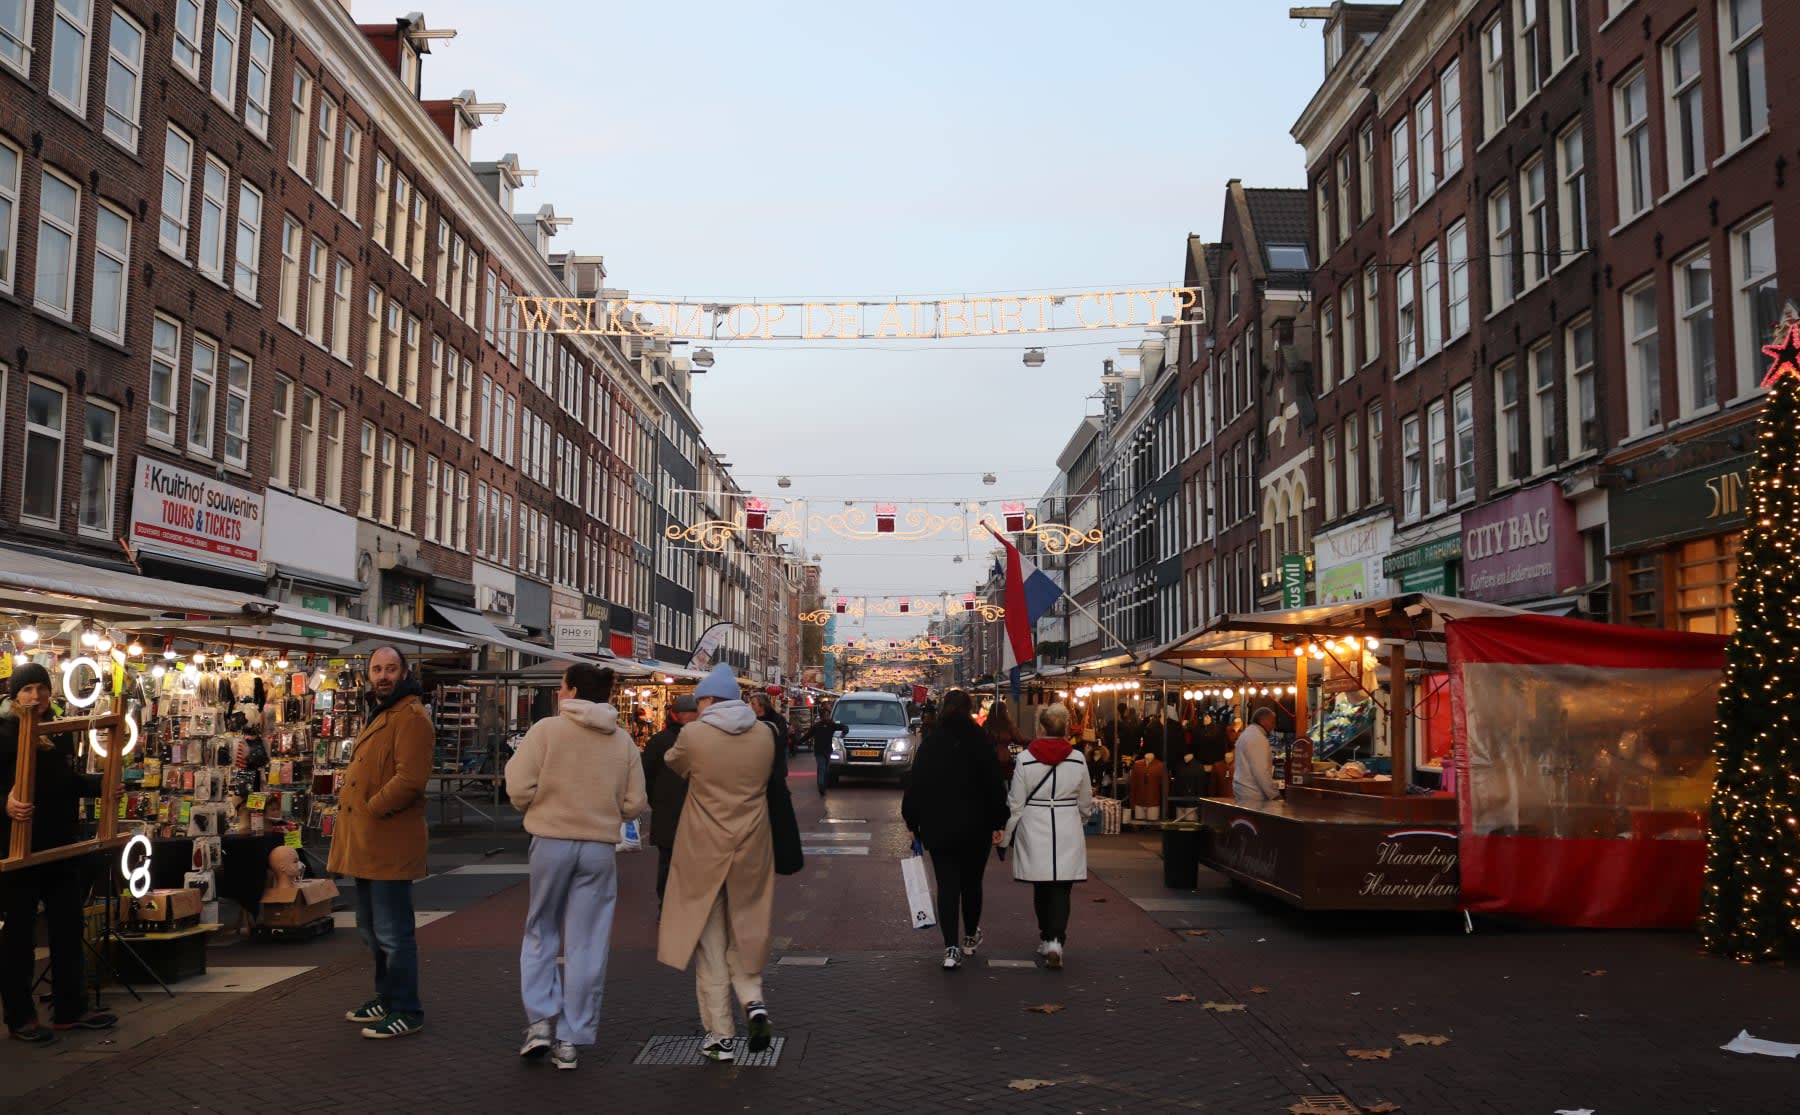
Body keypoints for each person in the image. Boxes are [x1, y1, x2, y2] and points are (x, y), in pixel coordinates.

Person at [506, 663, 646, 1071]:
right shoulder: (621, 741)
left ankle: (539, 1024)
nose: (559, 692)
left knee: (540, 930)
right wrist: (607, 810)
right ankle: (570, 1038)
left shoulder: (546, 731)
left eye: (562, 686)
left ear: (571, 691)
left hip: (550, 840)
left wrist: (538, 804)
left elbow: (518, 786)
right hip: (599, 847)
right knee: (588, 942)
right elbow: (635, 803)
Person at [657, 664, 777, 1063]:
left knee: (710, 944)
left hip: (704, 850)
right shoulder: (765, 735)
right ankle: (753, 1000)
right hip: (751, 847)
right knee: (745, 931)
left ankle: (721, 1036)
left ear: (709, 700)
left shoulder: (694, 734)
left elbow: (675, 762)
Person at [1, 664, 116, 1042]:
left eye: (42, 689)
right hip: (17, 850)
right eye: (28, 689)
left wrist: (105, 784)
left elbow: (66, 783)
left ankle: (71, 1009)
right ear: (15, 694)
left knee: (68, 927)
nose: (36, 697)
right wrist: (6, 804)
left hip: (61, 847)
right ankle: (20, 1017)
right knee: (19, 934)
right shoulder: (2, 731)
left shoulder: (59, 731)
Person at [327, 646, 433, 1039]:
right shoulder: (382, 712)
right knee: (371, 929)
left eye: (390, 669)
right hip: (366, 843)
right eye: (377, 669)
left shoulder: (412, 717)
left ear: (404, 672)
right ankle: (386, 996)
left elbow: (410, 779)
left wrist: (372, 807)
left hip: (387, 840)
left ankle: (407, 1008)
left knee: (393, 932)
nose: (383, 675)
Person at [900, 690, 1008, 970]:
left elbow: (916, 786)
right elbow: (995, 786)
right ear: (970, 709)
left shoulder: (931, 744)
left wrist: (913, 822)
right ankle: (970, 938)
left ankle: (951, 948)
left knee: (947, 886)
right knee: (972, 884)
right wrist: (999, 821)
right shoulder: (982, 743)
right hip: (977, 826)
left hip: (940, 826)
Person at [1001, 703, 1092, 970]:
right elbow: (1086, 799)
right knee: (1063, 887)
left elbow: (1015, 801)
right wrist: (1082, 818)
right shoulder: (1077, 758)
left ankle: (1045, 936)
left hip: (1035, 823)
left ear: (1040, 727)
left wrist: (1007, 835)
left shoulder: (1027, 759)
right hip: (1066, 823)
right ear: (1065, 728)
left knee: (1041, 885)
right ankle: (1056, 940)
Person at [641, 694, 700, 903]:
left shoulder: (659, 741)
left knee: (667, 860)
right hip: (697, 811)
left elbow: (646, 774)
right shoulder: (704, 740)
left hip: (667, 810)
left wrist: (655, 800)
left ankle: (667, 904)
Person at [1233, 706, 1281, 806]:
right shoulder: (1257, 738)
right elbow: (1261, 772)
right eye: (1272, 722)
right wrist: (1275, 795)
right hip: (1254, 795)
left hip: (1244, 792)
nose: (1274, 726)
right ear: (1263, 721)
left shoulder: (1247, 734)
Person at [804, 704, 846, 797]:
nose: (826, 717)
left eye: (827, 715)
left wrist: (844, 733)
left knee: (825, 769)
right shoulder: (819, 726)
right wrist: (799, 742)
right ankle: (821, 787)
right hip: (820, 752)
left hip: (827, 751)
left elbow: (843, 727)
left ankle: (823, 785)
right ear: (822, 716)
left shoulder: (831, 725)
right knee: (822, 768)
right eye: (825, 715)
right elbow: (808, 735)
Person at [985, 699, 1021, 782]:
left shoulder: (987, 724)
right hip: (1006, 758)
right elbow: (1019, 739)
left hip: (990, 758)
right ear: (1004, 711)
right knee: (1007, 783)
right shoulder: (1009, 725)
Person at [748, 693, 790, 761]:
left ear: (762, 705)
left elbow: (782, 739)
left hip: (776, 756)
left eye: (753, 704)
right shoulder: (751, 719)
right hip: (757, 757)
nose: (750, 706)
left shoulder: (777, 719)